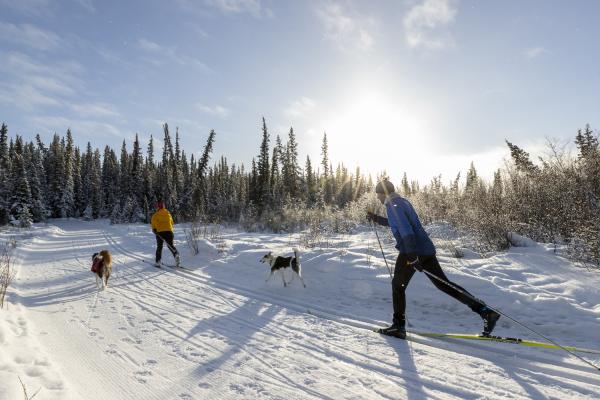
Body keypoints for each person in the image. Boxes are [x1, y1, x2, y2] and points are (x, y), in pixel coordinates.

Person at [367, 179, 500, 339]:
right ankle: (485, 312)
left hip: (412, 251)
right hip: (426, 249)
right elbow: (399, 223)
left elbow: (406, 231)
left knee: (397, 286)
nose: (377, 198)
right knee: (444, 284)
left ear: (384, 194)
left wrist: (412, 257)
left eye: (378, 195)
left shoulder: (392, 205)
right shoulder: (402, 203)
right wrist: (377, 219)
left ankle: (398, 326)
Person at [151, 201, 180, 268]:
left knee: (159, 247)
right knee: (170, 245)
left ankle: (158, 262)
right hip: (169, 232)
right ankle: (176, 254)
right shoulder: (168, 214)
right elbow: (172, 223)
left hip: (160, 232)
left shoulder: (155, 215)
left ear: (158, 207)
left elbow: (153, 225)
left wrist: (154, 230)